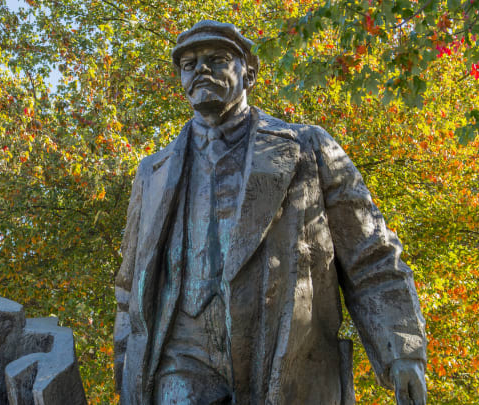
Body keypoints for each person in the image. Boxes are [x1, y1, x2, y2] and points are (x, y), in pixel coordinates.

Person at [114, 20, 427, 405]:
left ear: (249, 73)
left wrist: (402, 351)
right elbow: (130, 283)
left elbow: (370, 254)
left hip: (286, 356)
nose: (201, 71)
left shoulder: (307, 147)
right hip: (180, 359)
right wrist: (125, 359)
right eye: (189, 63)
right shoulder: (152, 173)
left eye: (218, 59)